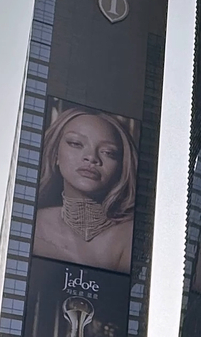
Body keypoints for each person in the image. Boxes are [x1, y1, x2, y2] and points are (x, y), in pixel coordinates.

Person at [31, 106, 136, 272]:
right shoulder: (33, 224)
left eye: (108, 152)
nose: (91, 157)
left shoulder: (132, 235)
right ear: (55, 154)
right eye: (76, 143)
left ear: (122, 165)